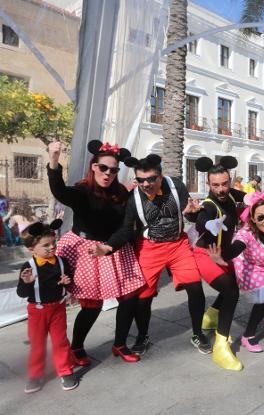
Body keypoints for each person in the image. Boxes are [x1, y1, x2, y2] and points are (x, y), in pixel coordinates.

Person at [94, 154, 211, 355]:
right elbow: (127, 229)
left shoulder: (175, 186)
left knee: (195, 287)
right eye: (141, 180)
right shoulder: (133, 199)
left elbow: (189, 211)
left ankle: (197, 333)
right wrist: (108, 247)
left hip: (177, 244)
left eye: (151, 179)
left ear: (160, 176)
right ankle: (142, 336)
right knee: (143, 297)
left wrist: (193, 213)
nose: (146, 184)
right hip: (150, 247)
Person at [48, 140, 145, 364]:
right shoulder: (83, 190)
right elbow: (60, 192)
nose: (108, 173)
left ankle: (120, 344)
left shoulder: (121, 193)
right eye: (103, 168)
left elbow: (126, 226)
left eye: (113, 170)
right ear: (94, 166)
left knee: (130, 298)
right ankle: (77, 347)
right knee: (93, 306)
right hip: (87, 251)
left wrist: (109, 246)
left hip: (113, 248)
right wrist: (54, 161)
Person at [214, 189, 264, 353]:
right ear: (253, 219)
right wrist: (222, 257)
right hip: (251, 268)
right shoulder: (246, 234)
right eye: (260, 217)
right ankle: (249, 334)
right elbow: (235, 249)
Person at [192, 156, 245, 370]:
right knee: (231, 291)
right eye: (216, 185)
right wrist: (207, 223)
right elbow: (201, 217)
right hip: (205, 254)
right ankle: (220, 346)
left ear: (229, 180)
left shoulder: (231, 195)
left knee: (233, 282)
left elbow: (254, 198)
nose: (221, 189)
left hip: (222, 252)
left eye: (224, 183)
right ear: (208, 184)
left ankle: (212, 316)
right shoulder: (209, 205)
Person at [17, 220, 78, 393]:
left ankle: (65, 371)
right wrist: (27, 283)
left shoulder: (61, 261)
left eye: (53, 243)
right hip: (37, 312)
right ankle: (35, 375)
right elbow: (21, 293)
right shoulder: (28, 267)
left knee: (60, 342)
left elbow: (68, 278)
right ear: (31, 249)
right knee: (37, 344)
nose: (52, 247)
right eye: (46, 245)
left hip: (58, 309)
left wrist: (67, 282)